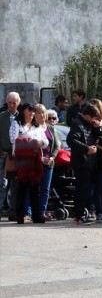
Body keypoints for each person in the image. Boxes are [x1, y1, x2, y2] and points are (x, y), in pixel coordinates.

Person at [10, 103, 48, 224]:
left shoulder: (37, 126)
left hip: (35, 160)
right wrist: (33, 142)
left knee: (34, 188)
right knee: (21, 188)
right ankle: (20, 216)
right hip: (22, 161)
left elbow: (45, 141)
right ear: (23, 112)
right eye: (29, 111)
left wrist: (41, 143)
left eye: (33, 111)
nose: (32, 113)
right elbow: (13, 139)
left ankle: (36, 216)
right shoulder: (17, 124)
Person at [0, 92, 21, 220]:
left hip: (18, 156)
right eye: (10, 102)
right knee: (2, 184)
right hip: (3, 155)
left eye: (14, 103)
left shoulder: (22, 116)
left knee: (15, 185)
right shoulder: (1, 116)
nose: (12, 105)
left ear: (18, 103)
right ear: (7, 102)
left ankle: (12, 211)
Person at [38, 107, 61, 220]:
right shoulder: (34, 128)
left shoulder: (51, 129)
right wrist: (41, 158)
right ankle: (29, 212)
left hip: (49, 162)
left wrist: (52, 157)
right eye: (50, 118)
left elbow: (56, 145)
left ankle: (42, 212)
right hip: (37, 162)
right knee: (33, 187)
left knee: (45, 188)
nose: (51, 120)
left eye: (54, 118)